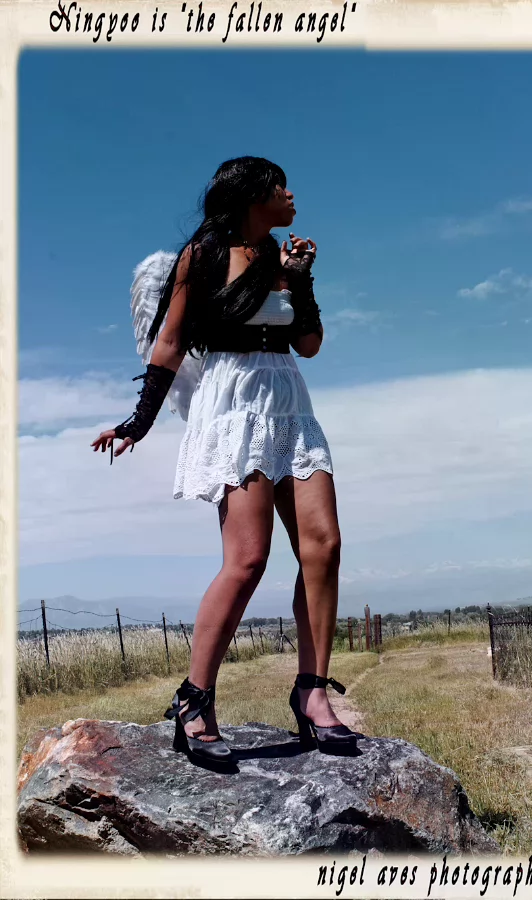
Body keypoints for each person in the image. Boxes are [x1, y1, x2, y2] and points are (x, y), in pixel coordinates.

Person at [91, 156, 356, 765]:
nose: (291, 194)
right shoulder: (203, 255)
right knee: (248, 559)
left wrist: (301, 278)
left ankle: (312, 692)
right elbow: (169, 341)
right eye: (280, 186)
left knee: (324, 546)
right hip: (233, 405)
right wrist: (138, 422)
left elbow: (309, 345)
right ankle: (195, 698)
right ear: (253, 195)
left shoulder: (279, 258)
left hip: (290, 402)